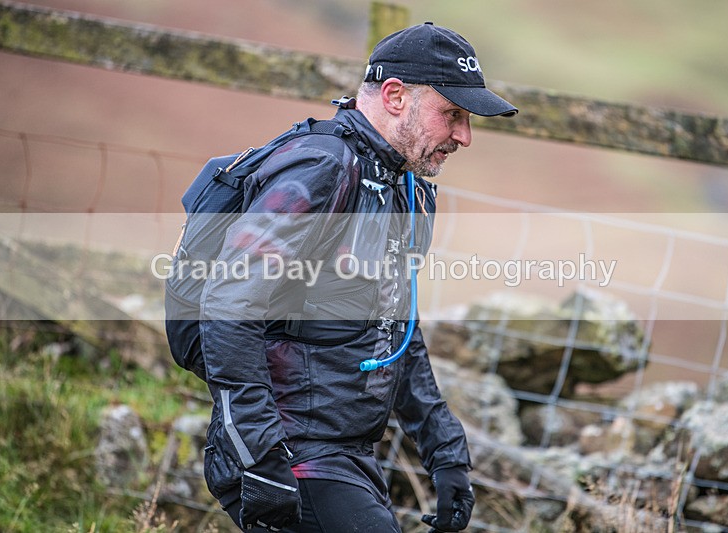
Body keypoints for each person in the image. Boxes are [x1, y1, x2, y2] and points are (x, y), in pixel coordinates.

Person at [198, 22, 517, 532]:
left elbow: (394, 335)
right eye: (452, 114)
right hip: (290, 452)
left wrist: (447, 454)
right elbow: (228, 307)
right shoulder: (318, 171)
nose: (465, 136)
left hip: (350, 457)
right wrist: (260, 455)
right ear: (394, 96)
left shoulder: (407, 190)